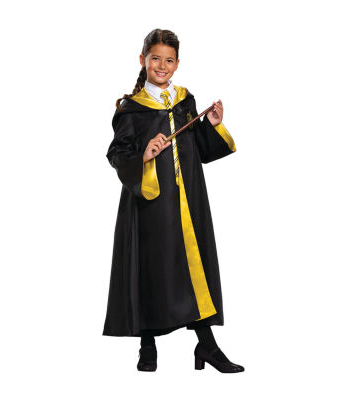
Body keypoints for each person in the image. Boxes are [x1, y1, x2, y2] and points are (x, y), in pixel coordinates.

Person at [102, 28, 244, 373]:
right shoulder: (132, 110)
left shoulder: (184, 101)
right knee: (153, 266)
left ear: (177, 63)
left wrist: (212, 125)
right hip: (151, 202)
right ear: (143, 60)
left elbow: (201, 150)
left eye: (169, 60)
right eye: (155, 59)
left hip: (189, 199)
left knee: (195, 266)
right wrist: (144, 154)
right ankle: (147, 345)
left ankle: (206, 345)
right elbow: (117, 154)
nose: (161, 66)